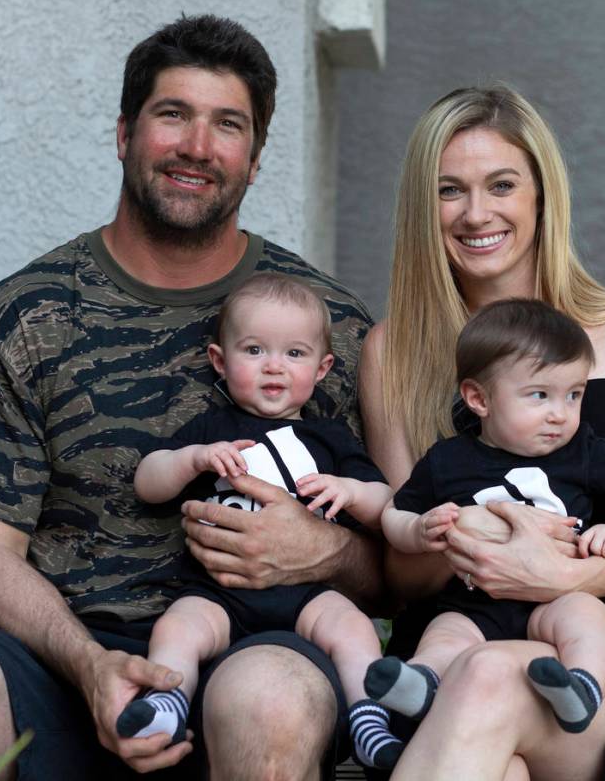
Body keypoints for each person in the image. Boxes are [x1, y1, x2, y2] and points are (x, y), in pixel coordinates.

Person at [0, 15, 382, 780]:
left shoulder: (321, 324)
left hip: (262, 645)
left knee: (272, 702)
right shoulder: (27, 314)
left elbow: (403, 551)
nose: (198, 146)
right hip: (59, 666)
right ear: (126, 133)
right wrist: (90, 664)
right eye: (173, 115)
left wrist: (325, 546)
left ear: (256, 159)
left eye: (227, 124)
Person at [358, 84, 605, 780]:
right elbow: (400, 575)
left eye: (502, 184)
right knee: (497, 748)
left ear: (542, 195)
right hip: (449, 648)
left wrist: (557, 573)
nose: (476, 212)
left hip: (601, 659)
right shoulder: (395, 354)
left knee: (489, 681)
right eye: (450, 190)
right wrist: (474, 537)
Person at [128, 272, 403, 770]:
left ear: (322, 369)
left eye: (294, 354)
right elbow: (147, 481)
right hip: (218, 593)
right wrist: (191, 459)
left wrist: (350, 490)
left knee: (354, 629)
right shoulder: (213, 431)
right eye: (254, 350)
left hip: (307, 593)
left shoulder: (330, 438)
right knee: (177, 628)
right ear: (220, 360)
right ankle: (167, 702)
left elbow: (386, 503)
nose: (274, 366)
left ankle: (369, 719)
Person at [363, 298, 605, 738]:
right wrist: (417, 530)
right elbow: (396, 513)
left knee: (587, 617)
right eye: (539, 396)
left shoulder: (581, 449)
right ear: (478, 398)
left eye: (574, 395)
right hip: (475, 602)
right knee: (446, 634)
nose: (559, 414)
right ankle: (422, 682)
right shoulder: (448, 460)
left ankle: (581, 685)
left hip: (555, 598)